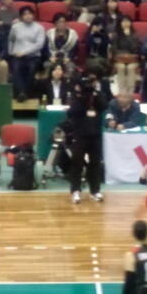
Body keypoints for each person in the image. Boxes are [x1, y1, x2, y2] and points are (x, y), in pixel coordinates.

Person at [67, 74, 108, 203]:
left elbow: (104, 106)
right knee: (77, 162)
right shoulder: (76, 96)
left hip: (95, 134)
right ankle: (75, 190)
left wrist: (95, 95)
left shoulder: (97, 95)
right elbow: (72, 112)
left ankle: (95, 190)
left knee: (95, 163)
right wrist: (82, 98)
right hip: (80, 134)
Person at [8, 6, 46, 102]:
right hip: (17, 55)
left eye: (29, 13)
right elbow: (11, 40)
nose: (28, 16)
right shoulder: (15, 27)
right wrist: (11, 52)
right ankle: (23, 93)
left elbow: (39, 45)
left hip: (33, 56)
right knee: (16, 68)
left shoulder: (39, 28)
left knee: (31, 68)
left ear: (33, 15)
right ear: (21, 16)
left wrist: (24, 52)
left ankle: (22, 92)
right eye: (25, 14)